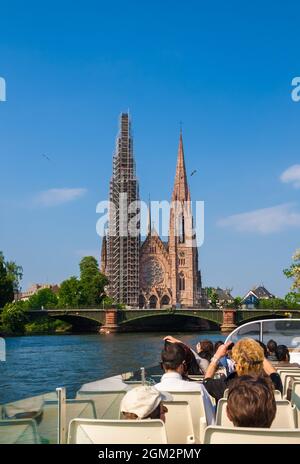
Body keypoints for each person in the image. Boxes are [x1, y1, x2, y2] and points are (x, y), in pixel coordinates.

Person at [203, 338, 283, 402]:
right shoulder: (271, 384)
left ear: (237, 364)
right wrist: (256, 352)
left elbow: (207, 381)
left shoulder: (228, 386)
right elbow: (274, 374)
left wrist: (217, 356)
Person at [155, 342, 215, 425]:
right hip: (198, 437)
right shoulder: (198, 389)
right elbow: (211, 422)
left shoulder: (153, 391)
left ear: (163, 366)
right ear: (182, 365)